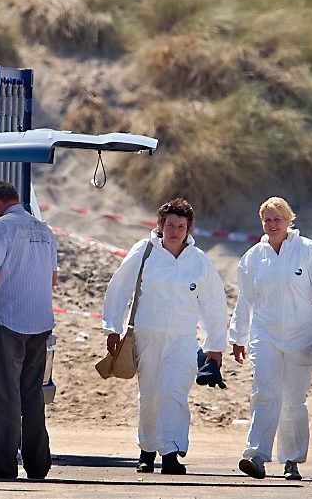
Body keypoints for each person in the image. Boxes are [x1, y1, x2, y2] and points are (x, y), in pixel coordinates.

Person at [102, 198, 228, 475]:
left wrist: (215, 346)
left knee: (175, 392)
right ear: (160, 226)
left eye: (180, 226)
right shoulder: (144, 252)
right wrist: (112, 327)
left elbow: (214, 304)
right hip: (148, 335)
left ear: (188, 229)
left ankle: (170, 452)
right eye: (170, 225)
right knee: (150, 394)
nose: (174, 231)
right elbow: (119, 288)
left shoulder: (199, 261)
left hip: (183, 338)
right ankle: (147, 450)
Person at [230, 196, 312, 481]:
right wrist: (238, 336)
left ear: (288, 220)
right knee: (265, 393)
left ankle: (291, 461)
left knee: (293, 400)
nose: (272, 224)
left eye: (277, 219)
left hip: (302, 337)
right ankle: (256, 455)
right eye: (267, 219)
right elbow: (244, 300)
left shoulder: (306, 251)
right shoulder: (254, 257)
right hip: (265, 335)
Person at [0, 181, 58, 481]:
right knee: (32, 393)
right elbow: (53, 280)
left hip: (8, 320)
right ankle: (38, 464)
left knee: (5, 393)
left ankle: (3, 464)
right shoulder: (45, 230)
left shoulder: (0, 229)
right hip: (41, 322)